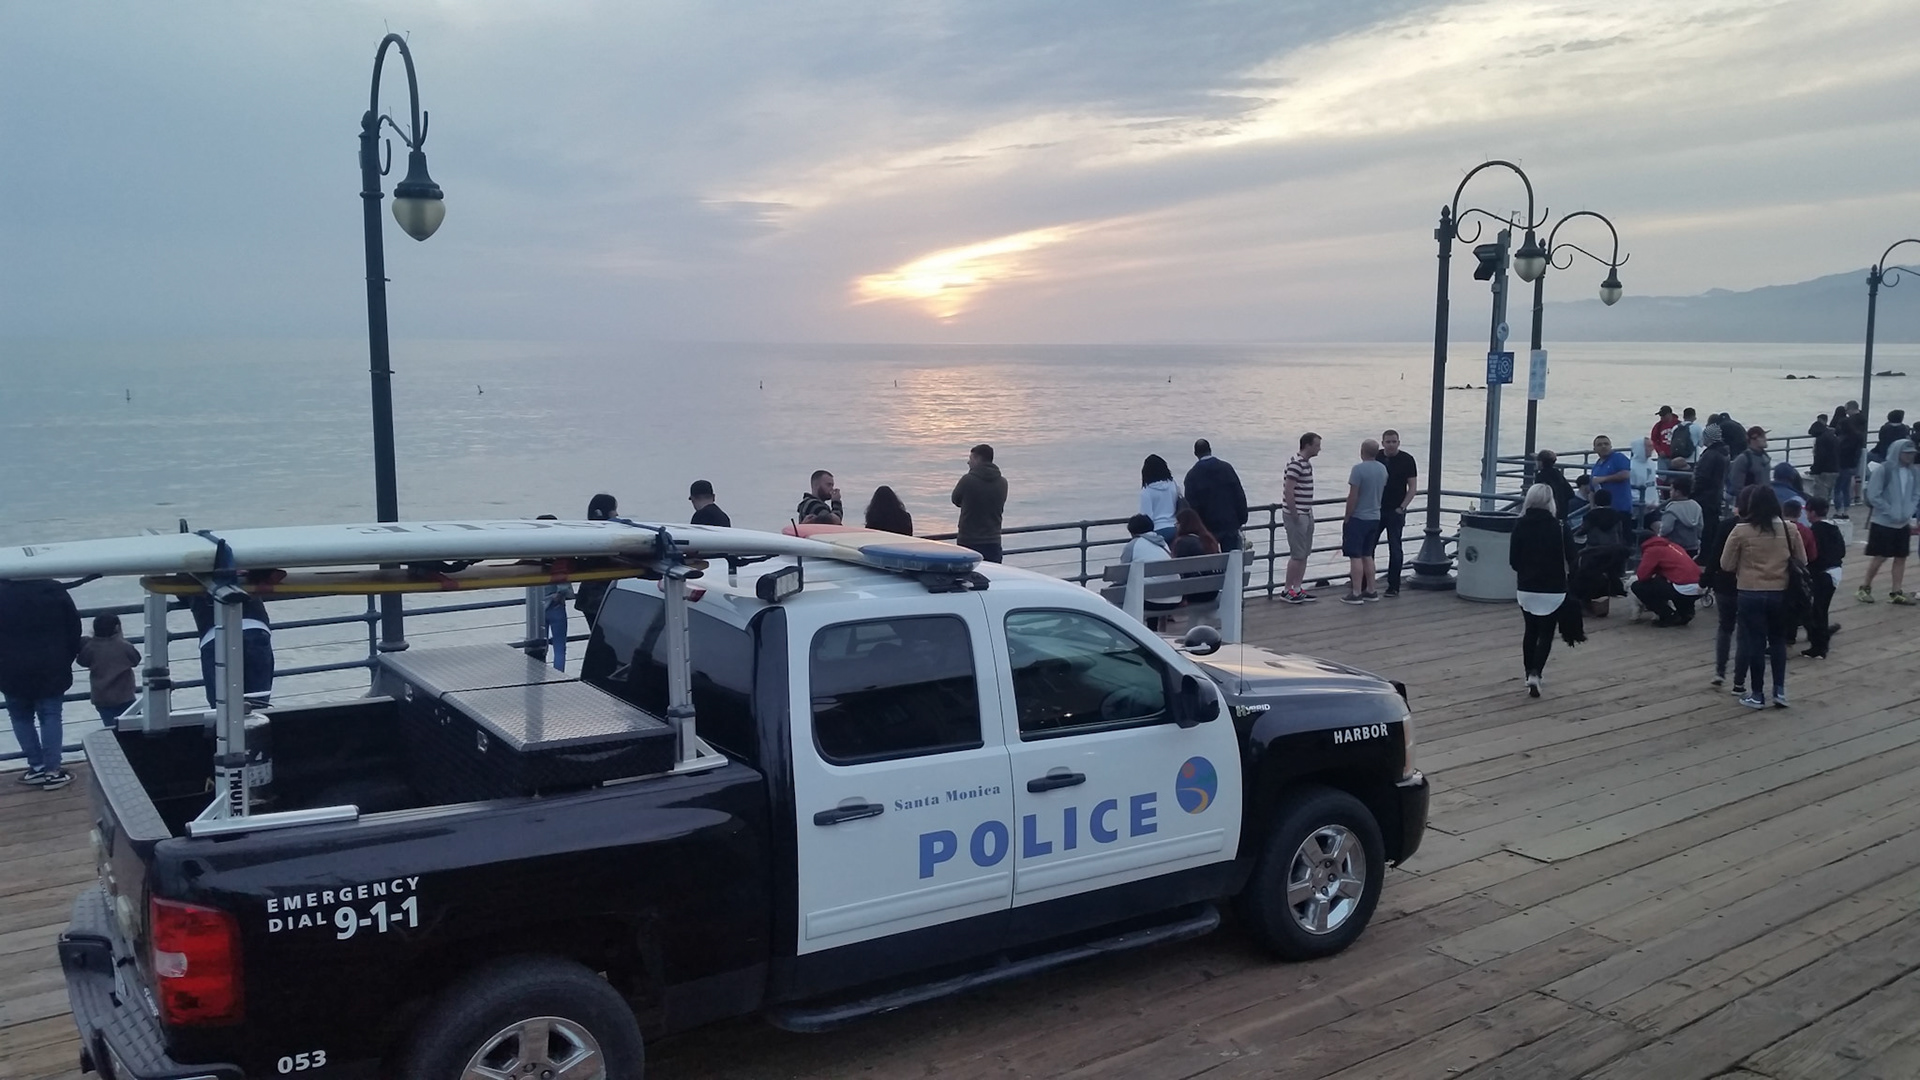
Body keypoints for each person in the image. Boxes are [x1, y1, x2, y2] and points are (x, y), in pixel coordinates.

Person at [1722, 485, 1805, 709]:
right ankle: (1779, 691)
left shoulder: (1741, 531)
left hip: (1750, 592)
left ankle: (1757, 694)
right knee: (1777, 641)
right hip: (1781, 592)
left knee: (1756, 643)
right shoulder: (1790, 529)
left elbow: (1726, 564)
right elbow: (1802, 561)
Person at [0, 579, 82, 789]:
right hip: (51, 664)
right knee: (51, 716)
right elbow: (74, 626)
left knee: (19, 717)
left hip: (9, 667)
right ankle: (53, 771)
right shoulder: (52, 587)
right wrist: (65, 657)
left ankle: (36, 767)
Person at [1510, 484, 1575, 697]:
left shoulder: (1520, 525)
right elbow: (1573, 556)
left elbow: (1513, 560)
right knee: (1546, 632)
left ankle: (1528, 671)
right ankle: (1537, 673)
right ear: (1550, 502)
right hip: (1554, 587)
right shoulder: (1560, 526)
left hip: (1527, 586)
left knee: (1530, 630)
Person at [190, 585, 275, 710]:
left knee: (223, 711)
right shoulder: (241, 566)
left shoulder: (192, 570)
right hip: (255, 626)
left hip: (214, 632)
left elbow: (181, 590)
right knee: (257, 706)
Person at [1858, 438, 1919, 604]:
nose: (1910, 457)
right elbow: (1873, 495)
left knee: (1901, 557)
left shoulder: (1913, 472)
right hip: (1883, 522)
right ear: (1898, 452)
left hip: (1903, 522)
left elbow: (1916, 493)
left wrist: (1909, 511)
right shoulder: (1884, 470)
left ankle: (1896, 591)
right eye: (1906, 453)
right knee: (1880, 556)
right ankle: (1865, 587)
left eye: (1912, 453)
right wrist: (1890, 510)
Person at [1705, 487, 1751, 692]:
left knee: (1725, 627)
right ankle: (1739, 681)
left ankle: (1720, 671)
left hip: (1724, 582)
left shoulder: (1726, 526)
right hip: (1750, 584)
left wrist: (1706, 578)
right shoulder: (1761, 527)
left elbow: (1715, 554)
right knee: (1744, 631)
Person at [1340, 439, 1387, 605]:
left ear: (1362, 451)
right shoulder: (1382, 469)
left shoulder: (1358, 470)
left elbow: (1353, 495)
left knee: (1355, 556)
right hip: (1375, 516)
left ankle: (1356, 592)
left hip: (1359, 517)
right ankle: (1372, 590)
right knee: (1368, 555)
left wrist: (1347, 516)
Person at [1184, 439, 1249, 554]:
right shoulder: (1227, 468)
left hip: (1207, 529)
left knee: (1211, 566)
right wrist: (1242, 518)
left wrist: (1198, 530)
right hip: (1230, 524)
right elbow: (1239, 495)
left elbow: (1192, 508)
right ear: (1210, 450)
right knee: (1232, 563)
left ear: (1195, 453)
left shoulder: (1192, 476)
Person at [77, 614, 141, 728]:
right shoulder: (124, 646)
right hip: (124, 696)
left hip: (102, 697)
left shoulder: (91, 647)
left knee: (111, 728)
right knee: (133, 727)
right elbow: (136, 659)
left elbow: (82, 661)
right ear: (117, 628)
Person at [1376, 429, 1419, 596]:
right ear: (1383, 443)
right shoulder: (1377, 457)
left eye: (1394, 441)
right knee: (1368, 546)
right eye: (1388, 441)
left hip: (1396, 510)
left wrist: (1402, 507)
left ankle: (1393, 586)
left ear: (1399, 443)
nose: (1391, 444)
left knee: (1395, 547)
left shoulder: (1407, 460)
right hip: (1376, 509)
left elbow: (1412, 487)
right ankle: (1366, 583)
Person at [1118, 514, 1180, 630]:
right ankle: (1152, 630)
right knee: (1150, 586)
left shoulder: (1132, 545)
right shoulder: (1163, 543)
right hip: (1175, 599)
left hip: (1152, 601)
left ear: (1133, 532)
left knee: (1126, 591)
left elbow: (1121, 575)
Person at [1573, 490, 1630, 613]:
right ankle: (1616, 588)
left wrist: (1573, 534)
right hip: (1614, 549)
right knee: (1611, 569)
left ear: (1595, 500)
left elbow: (1583, 530)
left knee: (1580, 564)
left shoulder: (1590, 515)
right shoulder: (1617, 515)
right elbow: (1621, 533)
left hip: (1594, 550)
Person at [1802, 496, 1844, 659]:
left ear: (1812, 512)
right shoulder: (1833, 527)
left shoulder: (1815, 531)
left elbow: (1813, 555)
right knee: (1820, 609)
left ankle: (1819, 646)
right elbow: (1842, 552)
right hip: (1835, 572)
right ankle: (1820, 638)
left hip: (1823, 574)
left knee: (1816, 610)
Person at [1281, 433, 1321, 604]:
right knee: (1297, 554)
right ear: (1307, 445)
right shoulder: (1296, 464)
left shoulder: (1306, 464)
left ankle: (1297, 588)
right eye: (1317, 445)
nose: (1319, 448)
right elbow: (1288, 490)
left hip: (1306, 512)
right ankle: (1287, 589)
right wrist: (1295, 513)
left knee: (1304, 552)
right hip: (1298, 515)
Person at [1632, 531, 1703, 627]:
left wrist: (1655, 571)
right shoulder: (1674, 546)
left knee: (1638, 586)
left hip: (1682, 588)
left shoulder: (1652, 550)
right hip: (1699, 587)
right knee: (1668, 581)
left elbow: (1642, 576)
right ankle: (1686, 612)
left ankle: (1668, 615)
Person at [951, 444, 1007, 562]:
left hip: (969, 540)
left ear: (978, 459)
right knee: (993, 576)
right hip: (993, 540)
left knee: (967, 577)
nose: (968, 462)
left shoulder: (968, 480)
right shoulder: (1003, 482)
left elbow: (955, 500)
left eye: (971, 459)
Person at [575, 494, 620, 621]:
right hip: (598, 597)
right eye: (614, 509)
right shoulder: (601, 537)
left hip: (590, 598)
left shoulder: (588, 534)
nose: (616, 514)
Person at [1172, 507, 1222, 605]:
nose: (1176, 526)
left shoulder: (1183, 543)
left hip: (1195, 593)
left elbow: (1179, 570)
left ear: (1183, 525)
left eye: (1177, 523)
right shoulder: (1209, 539)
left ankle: (1162, 620)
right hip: (1213, 591)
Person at [1693, 425, 1730, 548]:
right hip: (1716, 495)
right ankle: (1711, 552)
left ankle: (1705, 554)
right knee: (1713, 524)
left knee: (1706, 526)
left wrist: (1693, 492)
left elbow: (1702, 477)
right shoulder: (1724, 453)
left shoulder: (1710, 455)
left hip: (1705, 497)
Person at [1138, 454, 1181, 540]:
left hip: (1158, 530)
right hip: (1176, 529)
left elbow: (1146, 517)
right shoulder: (1173, 484)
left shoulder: (1146, 491)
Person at [1658, 475, 1704, 555]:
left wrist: (1659, 536)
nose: (1670, 491)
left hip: (1675, 547)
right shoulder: (1696, 505)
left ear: (1678, 492)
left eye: (1672, 489)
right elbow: (1700, 526)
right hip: (1693, 546)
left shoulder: (1672, 508)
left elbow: (1666, 529)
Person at [1590, 435, 1632, 519]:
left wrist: (1604, 479)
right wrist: (1592, 508)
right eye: (1599, 445)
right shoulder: (1596, 466)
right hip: (1602, 511)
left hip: (1620, 508)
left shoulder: (1618, 458)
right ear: (1594, 449)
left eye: (1606, 444)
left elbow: (1626, 474)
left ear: (1611, 446)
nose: (1603, 446)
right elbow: (1592, 491)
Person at [1834, 403, 1864, 515]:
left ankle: (1838, 510)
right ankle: (1846, 510)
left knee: (1837, 488)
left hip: (1841, 465)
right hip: (1852, 464)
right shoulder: (1858, 437)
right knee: (1846, 488)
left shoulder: (1840, 440)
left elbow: (1837, 453)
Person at [1727, 426, 1773, 498]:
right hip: (1750, 502)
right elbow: (1737, 486)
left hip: (1765, 500)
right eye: (1762, 437)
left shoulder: (1765, 456)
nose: (1765, 439)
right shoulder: (1743, 459)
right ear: (1753, 439)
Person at [1807, 414, 1840, 504]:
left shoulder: (1821, 440)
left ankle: (1821, 514)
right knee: (1829, 494)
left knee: (1821, 495)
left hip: (1824, 471)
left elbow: (1820, 457)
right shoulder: (1832, 436)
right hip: (1835, 468)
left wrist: (1814, 470)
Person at [1535, 449, 1574, 520]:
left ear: (1541, 462)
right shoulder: (1557, 473)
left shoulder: (1540, 476)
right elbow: (1570, 493)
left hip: (1547, 512)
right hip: (1562, 510)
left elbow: (1538, 496)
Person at [1629, 436, 1660, 519]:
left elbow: (1653, 485)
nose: (1652, 449)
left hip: (1653, 507)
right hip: (1638, 509)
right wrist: (1645, 503)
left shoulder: (1651, 464)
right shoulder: (1631, 467)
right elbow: (1630, 489)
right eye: (1649, 446)